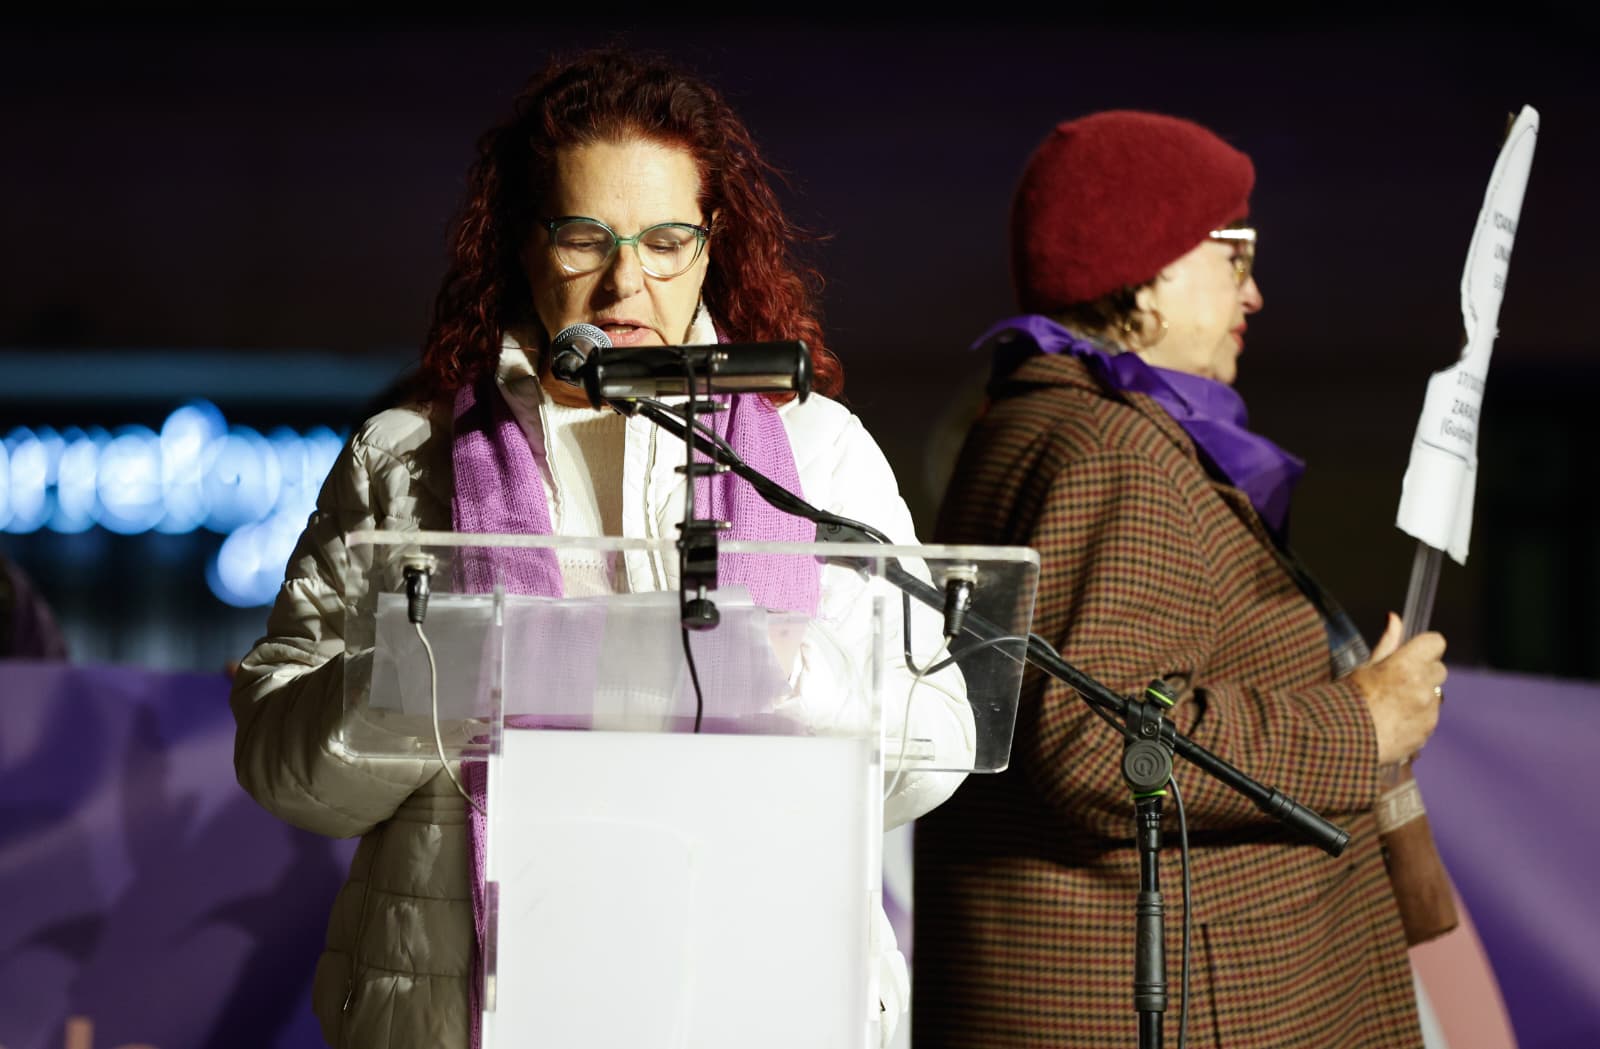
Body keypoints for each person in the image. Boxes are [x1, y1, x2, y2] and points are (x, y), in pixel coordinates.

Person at [230, 50, 971, 1049]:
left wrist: (802, 678)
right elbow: (282, 766)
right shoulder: (406, 459)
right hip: (478, 1009)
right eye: (585, 236)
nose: (627, 281)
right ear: (521, 246)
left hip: (758, 995)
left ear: (712, 246)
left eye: (667, 240)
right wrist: (425, 679)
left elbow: (944, 740)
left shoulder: (816, 453)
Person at [913, 110, 1447, 1048]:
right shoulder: (1113, 449)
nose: (1256, 294)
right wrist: (1360, 719)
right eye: (1234, 256)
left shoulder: (1043, 422)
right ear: (1147, 271)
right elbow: (1098, 736)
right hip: (1180, 1006)